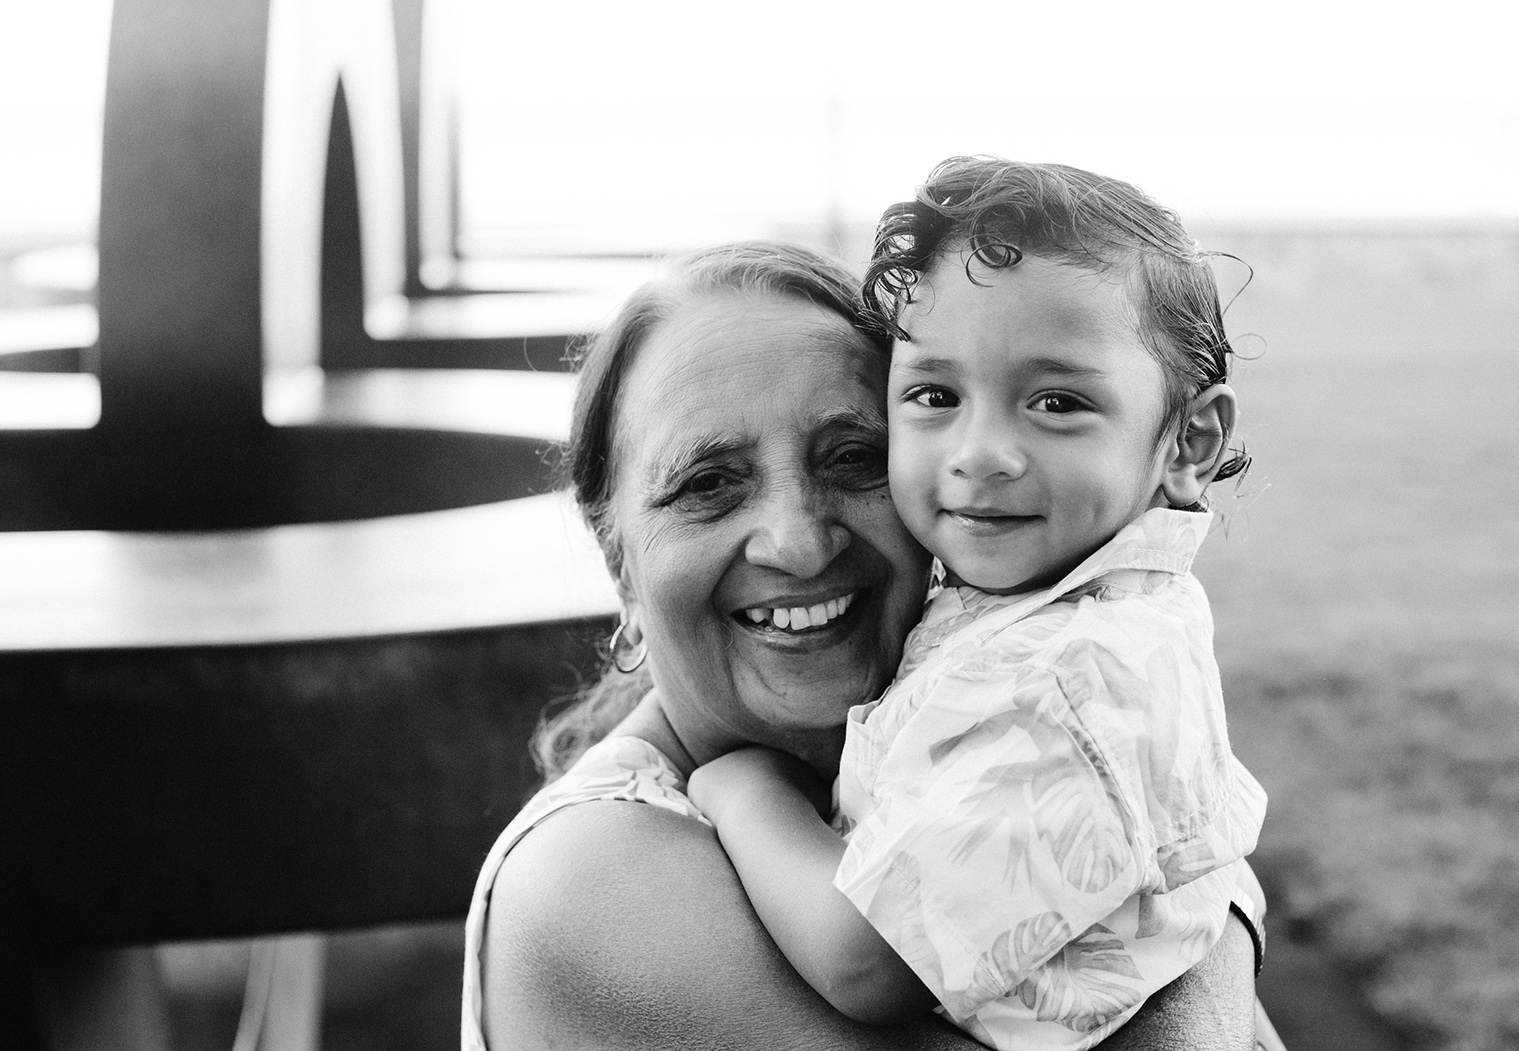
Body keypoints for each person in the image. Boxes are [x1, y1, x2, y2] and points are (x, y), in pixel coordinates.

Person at [462, 240, 1267, 1051]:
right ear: (623, 573)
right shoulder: (592, 880)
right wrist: (1220, 921)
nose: (801, 544)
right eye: (709, 484)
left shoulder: (988, 741)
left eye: (853, 457)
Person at [686, 160, 1269, 1051]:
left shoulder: (1071, 683)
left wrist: (745, 791)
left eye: (1057, 402)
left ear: (1188, 440)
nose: (981, 452)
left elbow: (865, 961)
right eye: (934, 396)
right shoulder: (1038, 606)